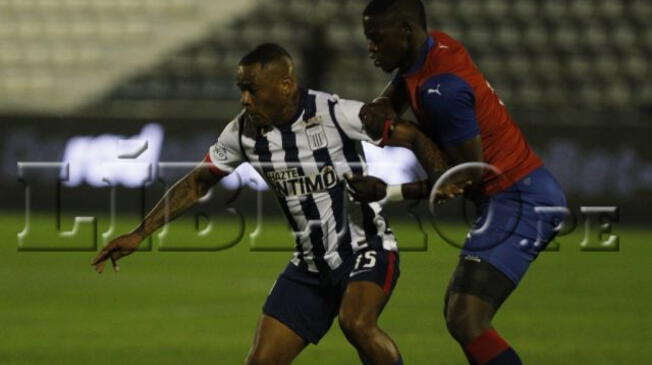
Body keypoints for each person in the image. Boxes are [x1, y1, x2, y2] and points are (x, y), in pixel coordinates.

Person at [91, 43, 450, 365]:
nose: (245, 99)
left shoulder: (334, 113)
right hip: (310, 266)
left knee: (356, 323)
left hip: (366, 248)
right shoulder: (243, 133)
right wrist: (141, 232)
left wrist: (441, 178)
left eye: (252, 89)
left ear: (285, 85)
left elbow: (413, 135)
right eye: (241, 90)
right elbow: (199, 180)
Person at [350, 1, 568, 364]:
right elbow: (405, 81)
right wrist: (385, 101)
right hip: (514, 193)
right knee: (459, 313)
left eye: (376, 38)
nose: (370, 47)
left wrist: (390, 188)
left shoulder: (443, 91)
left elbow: (466, 177)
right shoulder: (436, 45)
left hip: (521, 198)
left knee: (467, 317)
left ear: (406, 30)